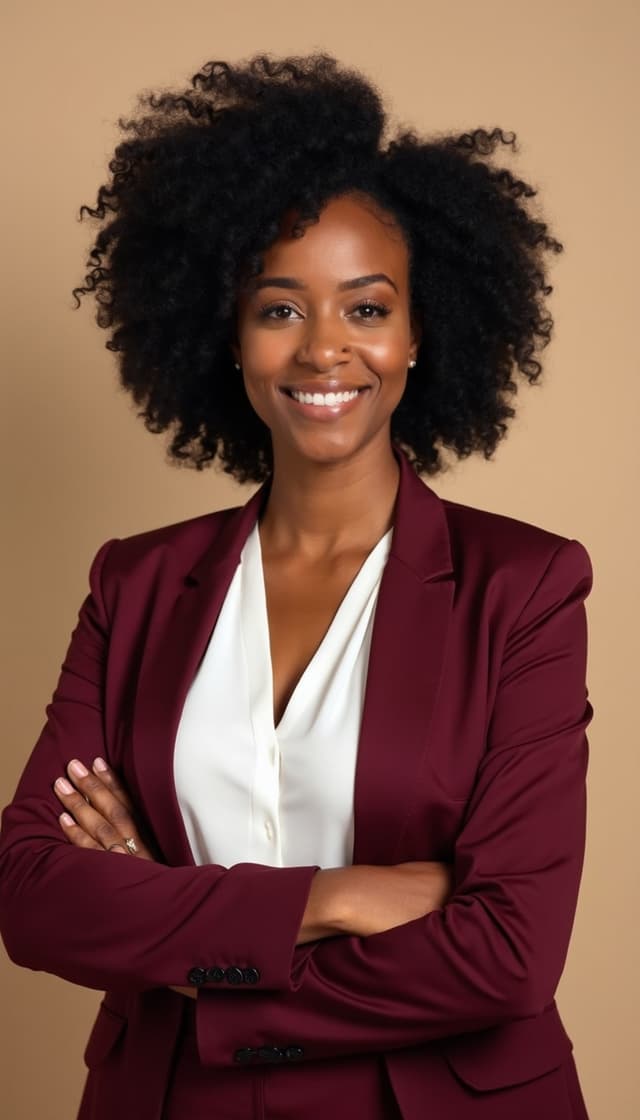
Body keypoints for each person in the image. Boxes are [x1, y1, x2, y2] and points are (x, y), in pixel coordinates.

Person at [0, 52, 593, 1120]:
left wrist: (192, 946)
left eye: (366, 308)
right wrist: (345, 897)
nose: (325, 348)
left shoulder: (525, 587)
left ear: (419, 333)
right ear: (228, 337)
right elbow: (36, 894)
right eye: (280, 309)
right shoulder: (134, 585)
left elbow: (508, 953)